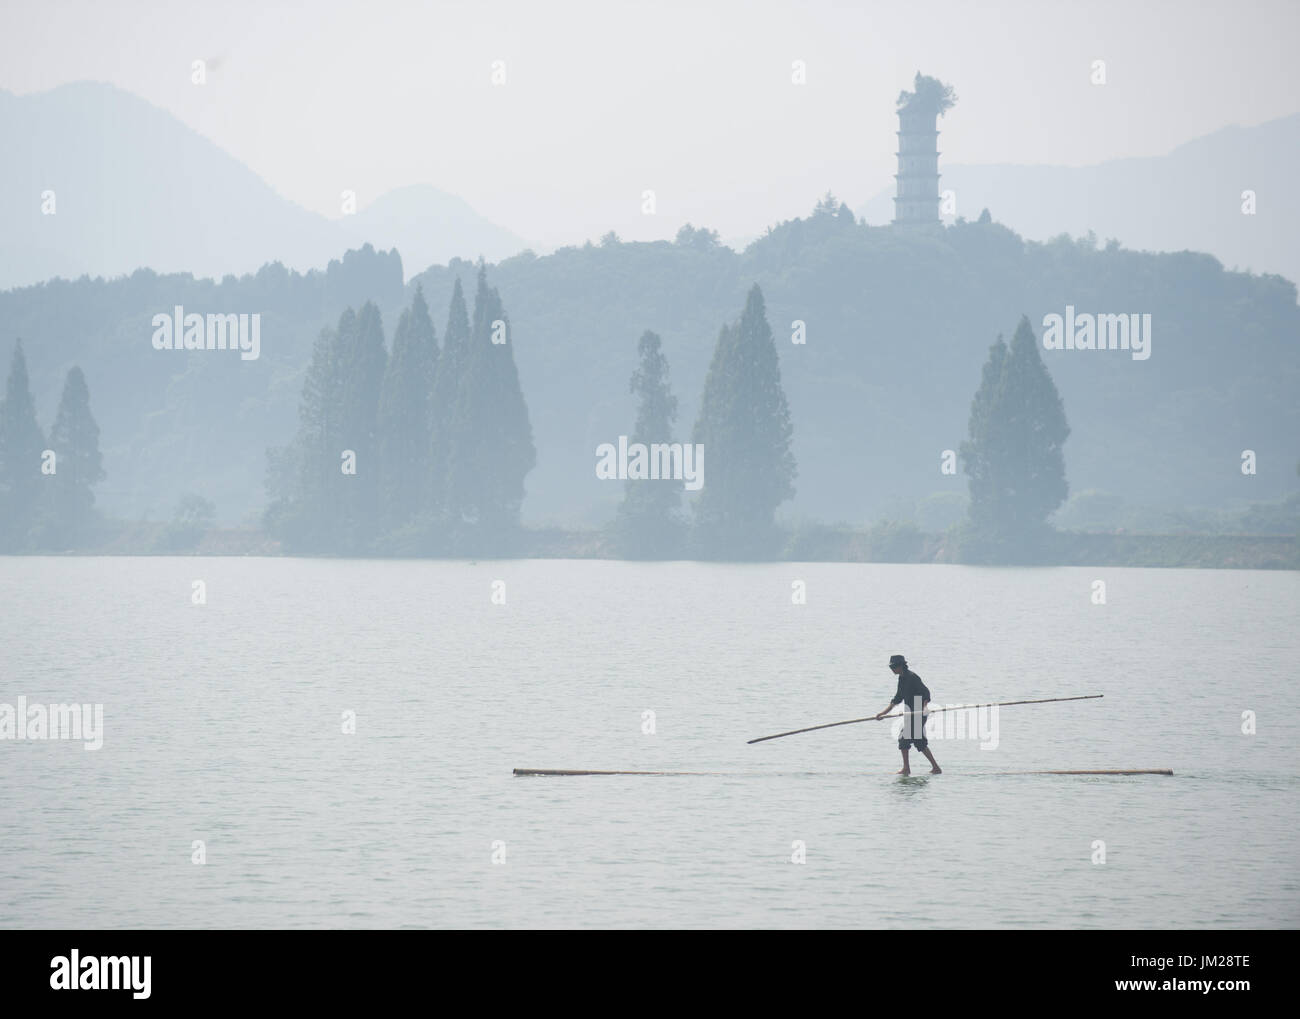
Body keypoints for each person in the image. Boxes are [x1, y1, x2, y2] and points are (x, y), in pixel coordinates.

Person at [874, 654, 941, 775]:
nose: (892, 669)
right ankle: (936, 768)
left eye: (894, 667)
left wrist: (924, 707)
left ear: (901, 666)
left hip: (919, 711)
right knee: (919, 741)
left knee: (903, 739)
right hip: (911, 712)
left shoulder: (912, 677)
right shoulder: (901, 678)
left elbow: (926, 693)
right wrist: (882, 713)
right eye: (891, 667)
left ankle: (906, 768)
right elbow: (897, 698)